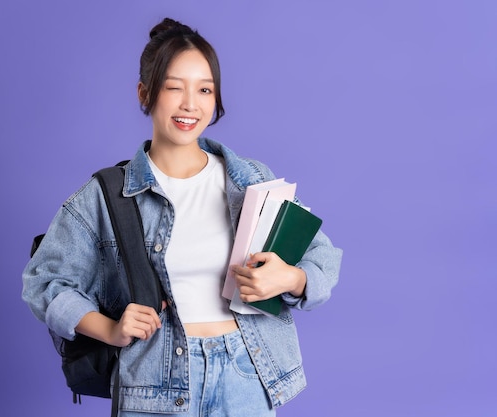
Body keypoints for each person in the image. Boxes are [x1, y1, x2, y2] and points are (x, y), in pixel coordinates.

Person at [22, 17, 342, 416]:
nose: (191, 104)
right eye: (174, 87)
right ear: (146, 93)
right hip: (155, 383)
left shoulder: (249, 179)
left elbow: (322, 257)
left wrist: (292, 278)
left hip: (245, 377)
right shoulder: (108, 195)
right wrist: (110, 329)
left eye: (205, 89)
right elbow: (45, 282)